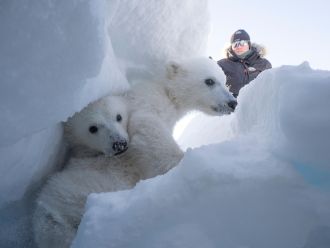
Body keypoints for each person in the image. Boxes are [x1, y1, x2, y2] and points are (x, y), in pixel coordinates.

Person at [217, 29, 272, 98]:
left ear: (249, 44)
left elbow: (271, 86)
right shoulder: (222, 64)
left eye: (242, 43)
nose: (239, 46)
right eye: (235, 44)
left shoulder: (264, 64)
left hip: (257, 104)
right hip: (232, 106)